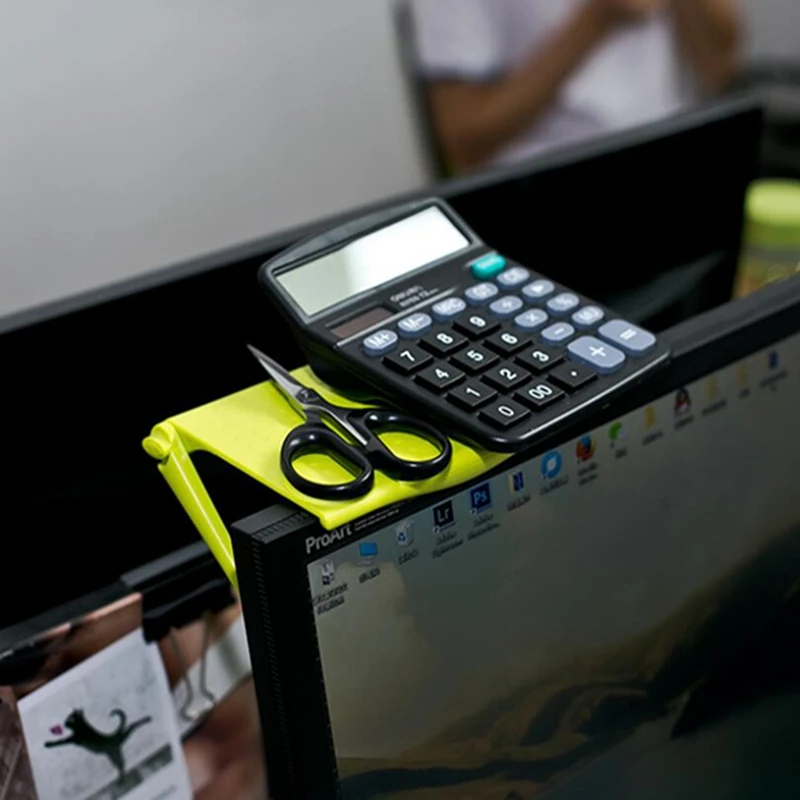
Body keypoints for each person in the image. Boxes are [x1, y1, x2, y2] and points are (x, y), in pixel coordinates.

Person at [409, 0, 743, 172]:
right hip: (544, 192)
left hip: (673, 161)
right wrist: (597, 19)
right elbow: (466, 141)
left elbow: (721, 68)